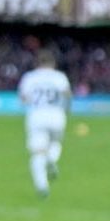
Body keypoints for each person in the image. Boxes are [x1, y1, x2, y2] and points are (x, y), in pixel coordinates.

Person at [18, 51, 72, 198]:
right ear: (53, 63)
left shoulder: (29, 77)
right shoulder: (59, 77)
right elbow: (67, 94)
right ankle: (51, 160)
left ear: (37, 63)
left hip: (37, 116)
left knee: (37, 153)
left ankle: (42, 186)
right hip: (57, 115)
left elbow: (23, 98)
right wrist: (67, 110)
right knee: (55, 143)